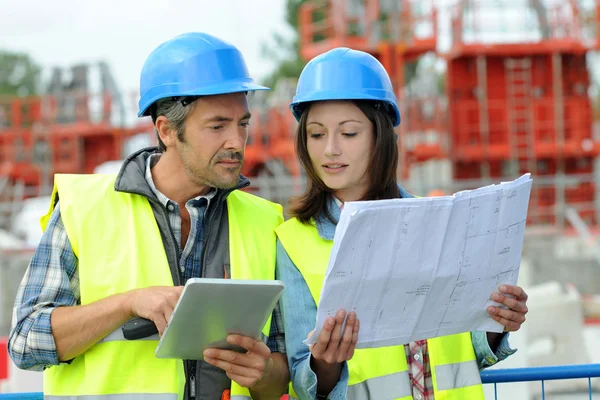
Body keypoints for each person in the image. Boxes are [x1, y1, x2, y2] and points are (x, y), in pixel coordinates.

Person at [8, 32, 290, 400]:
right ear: (167, 130)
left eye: (243, 123)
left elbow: (285, 373)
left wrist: (265, 372)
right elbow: (26, 342)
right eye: (218, 126)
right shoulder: (85, 208)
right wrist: (128, 303)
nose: (237, 141)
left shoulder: (266, 222)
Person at [275, 47, 529, 399]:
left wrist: (497, 321)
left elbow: (465, 351)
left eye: (348, 133)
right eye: (317, 134)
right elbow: (304, 380)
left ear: (380, 138)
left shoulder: (438, 223)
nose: (330, 149)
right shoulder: (292, 243)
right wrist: (326, 363)